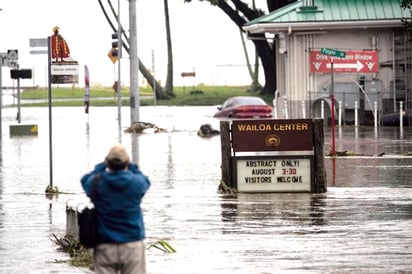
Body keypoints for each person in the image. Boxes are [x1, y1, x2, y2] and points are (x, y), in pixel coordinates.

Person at [80, 144, 151, 274]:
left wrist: (101, 167)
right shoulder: (137, 184)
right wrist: (132, 167)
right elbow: (145, 180)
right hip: (132, 243)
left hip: (105, 245)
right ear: (127, 162)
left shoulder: (97, 183)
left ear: (108, 162)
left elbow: (84, 180)